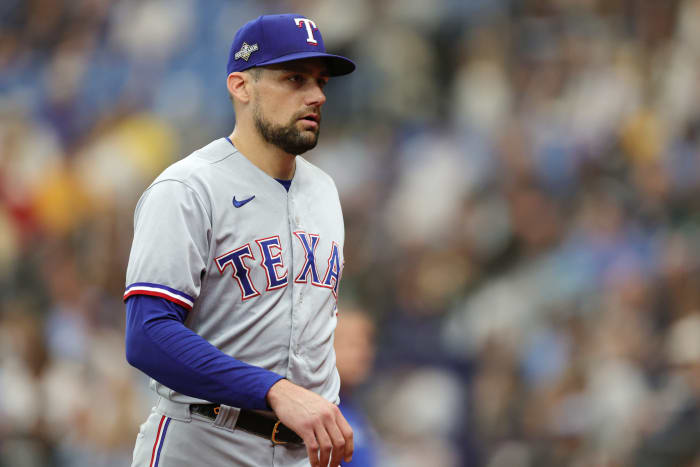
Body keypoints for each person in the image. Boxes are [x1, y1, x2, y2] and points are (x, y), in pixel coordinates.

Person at [123, 14, 356, 467]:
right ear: (240, 86)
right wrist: (273, 390)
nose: (317, 96)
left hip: (302, 450)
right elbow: (147, 335)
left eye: (320, 81)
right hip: (205, 440)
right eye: (294, 78)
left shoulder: (325, 190)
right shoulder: (189, 188)